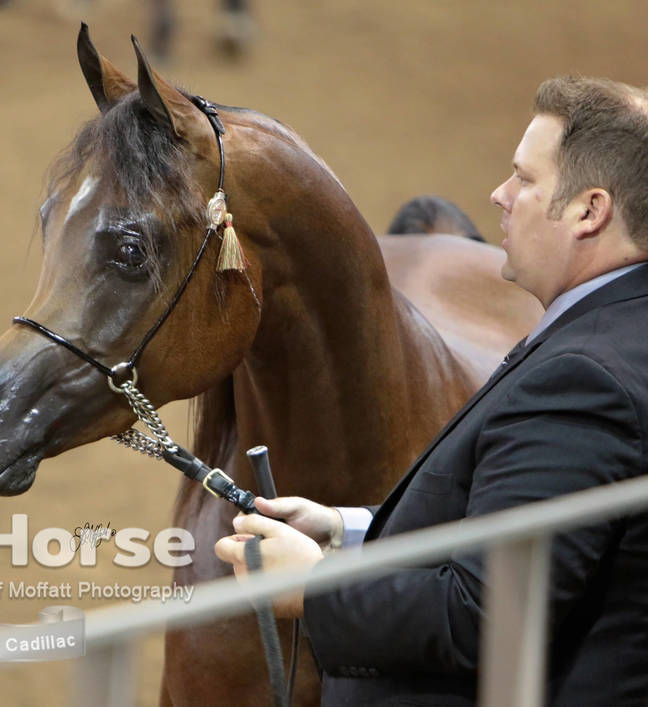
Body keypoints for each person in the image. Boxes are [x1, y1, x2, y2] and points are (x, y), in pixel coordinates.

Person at [215, 76, 648, 706]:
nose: (499, 195)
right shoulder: (616, 331)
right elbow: (524, 538)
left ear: (590, 211)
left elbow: (488, 617)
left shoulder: (585, 379)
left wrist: (315, 587)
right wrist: (349, 530)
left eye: (525, 179)